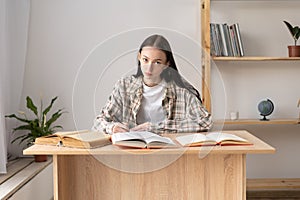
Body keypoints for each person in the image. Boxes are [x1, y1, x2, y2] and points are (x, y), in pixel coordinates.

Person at [92, 34, 212, 134]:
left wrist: (157, 128)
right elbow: (99, 122)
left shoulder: (181, 91)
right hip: (130, 152)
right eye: (145, 60)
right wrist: (112, 127)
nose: (149, 68)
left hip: (168, 153)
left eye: (157, 62)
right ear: (139, 57)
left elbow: (205, 121)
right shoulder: (124, 86)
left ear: (167, 64)